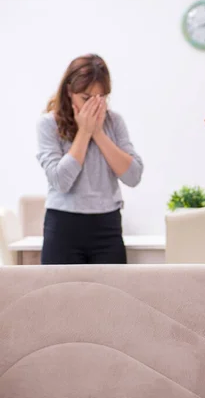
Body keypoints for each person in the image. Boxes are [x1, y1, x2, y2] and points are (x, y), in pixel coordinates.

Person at [37, 54, 143, 264]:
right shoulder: (48, 124)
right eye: (86, 98)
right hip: (63, 225)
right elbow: (61, 181)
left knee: (110, 295)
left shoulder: (114, 122)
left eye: (101, 97)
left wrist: (98, 133)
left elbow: (133, 176)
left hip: (107, 224)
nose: (94, 106)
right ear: (69, 92)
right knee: (61, 295)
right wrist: (84, 132)